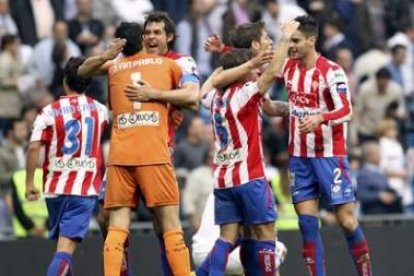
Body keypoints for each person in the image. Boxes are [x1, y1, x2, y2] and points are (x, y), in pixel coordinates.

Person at [78, 22, 191, 276]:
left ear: (120, 44)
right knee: (171, 223)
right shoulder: (169, 65)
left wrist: (107, 54)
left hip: (120, 156)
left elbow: (82, 71)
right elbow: (192, 99)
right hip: (154, 153)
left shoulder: (113, 67)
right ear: (142, 39)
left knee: (117, 226)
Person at [197, 21, 298, 275]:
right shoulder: (245, 94)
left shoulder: (214, 98)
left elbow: (208, 86)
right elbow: (270, 74)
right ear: (242, 74)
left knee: (228, 237)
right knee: (265, 235)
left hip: (223, 178)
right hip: (249, 176)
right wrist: (284, 39)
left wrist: (228, 56)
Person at [282, 16, 372, 275]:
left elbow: (346, 109)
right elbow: (290, 105)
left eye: (296, 40)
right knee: (307, 225)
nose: (292, 46)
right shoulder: (288, 67)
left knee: (346, 221)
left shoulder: (331, 71)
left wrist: (321, 117)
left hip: (329, 155)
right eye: (289, 40)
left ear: (312, 41)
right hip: (299, 157)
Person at [25, 57, 108, 275]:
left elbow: (34, 148)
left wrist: (29, 183)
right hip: (82, 189)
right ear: (88, 83)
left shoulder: (49, 111)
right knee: (65, 251)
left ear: (64, 81)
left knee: (61, 251)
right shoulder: (100, 110)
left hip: (54, 190)